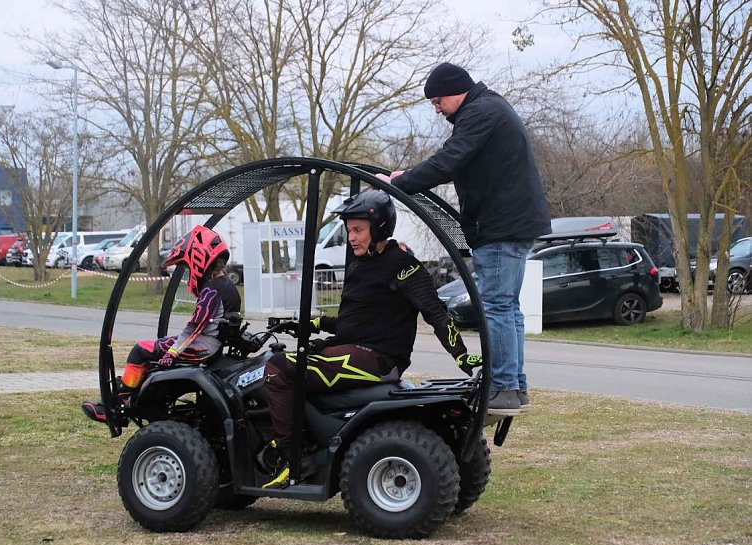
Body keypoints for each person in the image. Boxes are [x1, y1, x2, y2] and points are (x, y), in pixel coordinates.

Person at [260, 190, 481, 488]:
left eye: (358, 230)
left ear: (379, 228)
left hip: (377, 360)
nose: (351, 237)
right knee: (300, 356)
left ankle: (293, 457)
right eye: (349, 230)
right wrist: (313, 323)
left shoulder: (403, 266)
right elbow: (360, 321)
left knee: (277, 367)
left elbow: (436, 313)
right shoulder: (362, 264)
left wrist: (460, 354)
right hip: (358, 348)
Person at [375, 62, 551, 416]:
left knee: (497, 306)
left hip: (500, 226)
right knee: (508, 307)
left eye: (437, 101)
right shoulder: (488, 109)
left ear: (456, 90)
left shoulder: (480, 112)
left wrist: (399, 184)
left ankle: (502, 386)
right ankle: (514, 385)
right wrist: (406, 175)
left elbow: (448, 161)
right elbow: (451, 158)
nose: (437, 109)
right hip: (515, 223)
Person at [82, 225, 241, 423]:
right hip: (211, 346)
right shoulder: (227, 286)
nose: (190, 272)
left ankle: (118, 407)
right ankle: (129, 393)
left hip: (202, 346)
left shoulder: (211, 290)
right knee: (156, 350)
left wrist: (173, 352)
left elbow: (194, 327)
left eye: (189, 266)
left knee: (141, 350)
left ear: (199, 260)